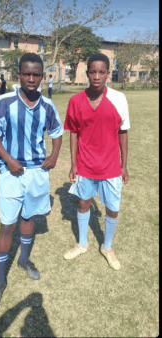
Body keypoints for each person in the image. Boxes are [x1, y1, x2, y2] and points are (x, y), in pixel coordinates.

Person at [0, 52, 63, 308]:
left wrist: (54, 155)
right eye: (26, 73)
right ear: (18, 75)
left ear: (42, 76)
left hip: (37, 173)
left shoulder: (48, 105)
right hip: (11, 173)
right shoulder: (5, 102)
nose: (31, 78)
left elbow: (57, 133)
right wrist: (8, 159)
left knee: (28, 218)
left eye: (36, 74)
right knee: (7, 225)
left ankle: (24, 260)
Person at [63, 53, 130, 270]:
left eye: (102, 72)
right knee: (83, 204)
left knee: (112, 209)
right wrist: (73, 163)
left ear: (109, 73)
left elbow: (123, 132)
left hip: (111, 167)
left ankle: (107, 246)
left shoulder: (119, 99)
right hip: (85, 166)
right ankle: (82, 244)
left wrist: (124, 165)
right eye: (93, 71)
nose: (97, 76)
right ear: (87, 72)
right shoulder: (75, 101)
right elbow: (73, 132)